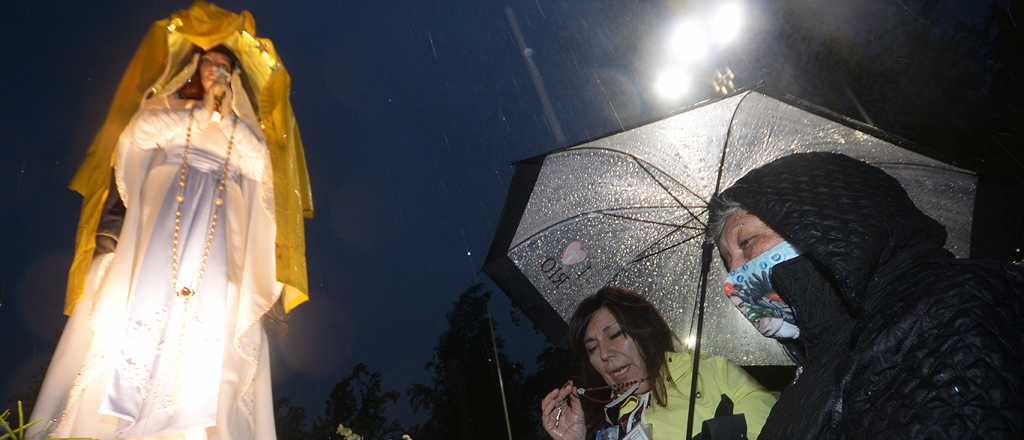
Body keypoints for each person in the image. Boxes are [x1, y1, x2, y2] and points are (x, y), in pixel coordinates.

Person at [30, 3, 313, 438]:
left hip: (218, 237)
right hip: (162, 226)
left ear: (234, 78)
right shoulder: (167, 109)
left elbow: (263, 169)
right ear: (195, 70)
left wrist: (223, 121)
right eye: (209, 65)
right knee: (144, 302)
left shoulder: (245, 130)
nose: (215, 73)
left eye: (223, 67)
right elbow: (135, 138)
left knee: (209, 313)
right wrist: (199, 117)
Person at [709, 152, 1024, 439]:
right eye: (727, 260)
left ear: (823, 221)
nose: (735, 274)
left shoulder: (950, 304)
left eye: (747, 241)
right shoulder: (824, 356)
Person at [540, 287, 776, 440]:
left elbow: (779, 426)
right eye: (591, 348)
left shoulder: (710, 371)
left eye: (615, 335)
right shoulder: (616, 422)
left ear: (644, 332)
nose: (603, 354)